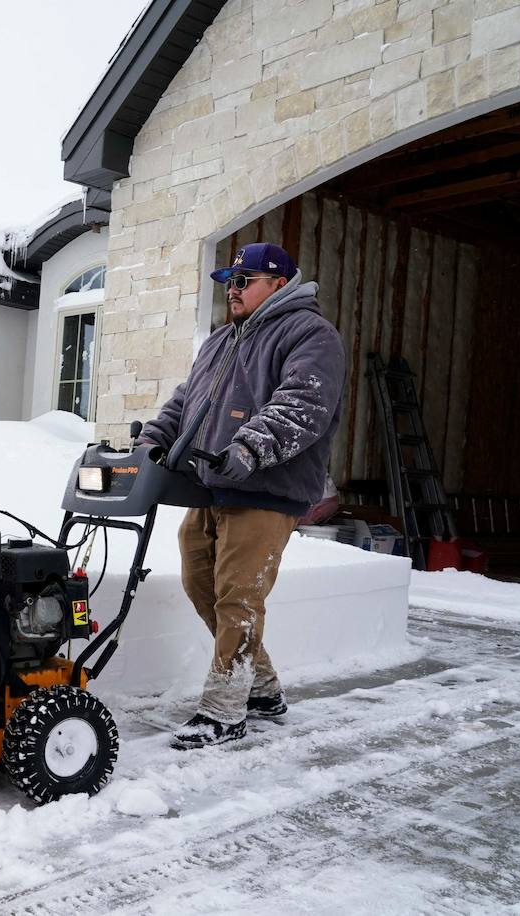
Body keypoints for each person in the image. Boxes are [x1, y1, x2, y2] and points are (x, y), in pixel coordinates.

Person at [137, 242, 346, 750]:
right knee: (200, 583)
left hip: (266, 489)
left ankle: (224, 710)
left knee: (238, 597)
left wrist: (249, 448)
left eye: (245, 280)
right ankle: (263, 688)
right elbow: (187, 401)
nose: (232, 289)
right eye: (228, 281)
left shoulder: (310, 334)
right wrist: (152, 442)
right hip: (210, 486)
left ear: (278, 284)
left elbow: (303, 404)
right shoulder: (220, 340)